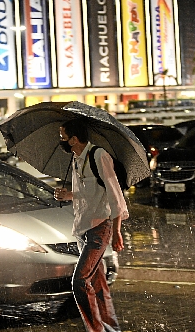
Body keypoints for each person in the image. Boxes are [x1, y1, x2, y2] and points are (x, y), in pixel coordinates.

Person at [54, 118, 128, 332]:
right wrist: (69, 195)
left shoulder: (98, 156)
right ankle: (112, 329)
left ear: (74, 139)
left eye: (63, 137)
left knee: (79, 282)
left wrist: (116, 232)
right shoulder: (76, 159)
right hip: (82, 228)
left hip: (99, 228)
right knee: (98, 284)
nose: (61, 141)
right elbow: (88, 193)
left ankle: (96, 330)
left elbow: (114, 196)